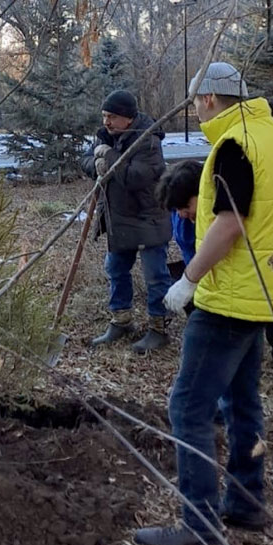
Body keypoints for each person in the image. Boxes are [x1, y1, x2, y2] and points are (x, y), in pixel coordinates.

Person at [135, 62, 273, 545]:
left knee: (188, 407)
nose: (194, 109)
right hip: (268, 295)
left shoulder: (235, 146)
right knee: (242, 400)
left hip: (230, 298)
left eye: (195, 102)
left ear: (209, 99)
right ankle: (247, 502)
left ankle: (200, 525)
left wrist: (187, 282)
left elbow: (230, 224)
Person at [157, 160, 273, 452]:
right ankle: (221, 404)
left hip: (271, 279)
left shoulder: (248, 180)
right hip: (230, 296)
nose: (182, 214)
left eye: (185, 206)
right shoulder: (184, 222)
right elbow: (198, 262)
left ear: (207, 193)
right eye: (176, 210)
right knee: (226, 353)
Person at [81, 89, 172, 353]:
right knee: (116, 269)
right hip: (119, 218)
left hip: (148, 218)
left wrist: (106, 158)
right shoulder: (106, 136)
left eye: (112, 116)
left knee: (155, 275)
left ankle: (159, 328)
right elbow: (85, 160)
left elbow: (136, 177)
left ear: (128, 118)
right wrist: (98, 162)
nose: (106, 121)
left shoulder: (149, 140)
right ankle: (121, 321)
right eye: (104, 116)